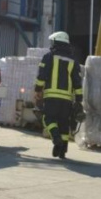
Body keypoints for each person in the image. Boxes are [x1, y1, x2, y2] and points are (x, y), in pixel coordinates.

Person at [34, 31, 83, 159]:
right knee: (63, 123)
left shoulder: (49, 57)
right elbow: (77, 82)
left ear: (56, 42)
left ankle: (56, 139)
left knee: (48, 119)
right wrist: (79, 100)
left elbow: (42, 75)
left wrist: (38, 90)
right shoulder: (73, 61)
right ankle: (63, 151)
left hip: (51, 96)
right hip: (67, 99)